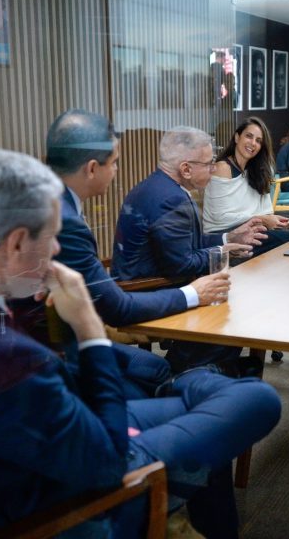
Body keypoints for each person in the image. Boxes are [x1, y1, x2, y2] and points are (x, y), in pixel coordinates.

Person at [0, 149, 281, 538]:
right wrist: (92, 332)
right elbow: (109, 462)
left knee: (204, 403)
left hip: (23, 445)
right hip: (72, 490)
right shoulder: (11, 359)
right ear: (13, 244)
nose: (57, 251)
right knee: (256, 400)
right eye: (50, 238)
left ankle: (186, 384)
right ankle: (187, 381)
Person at [45, 109, 234, 397]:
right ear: (92, 168)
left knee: (166, 368)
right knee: (216, 341)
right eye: (115, 163)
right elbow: (117, 309)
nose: (117, 170)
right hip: (66, 354)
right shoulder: (65, 223)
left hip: (87, 320)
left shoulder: (54, 202)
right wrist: (194, 293)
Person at [111, 126, 268, 372]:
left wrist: (230, 237)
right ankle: (179, 373)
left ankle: (215, 371)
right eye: (209, 164)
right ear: (185, 169)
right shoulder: (170, 199)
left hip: (151, 279)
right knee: (234, 314)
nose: (214, 169)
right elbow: (181, 264)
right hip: (146, 289)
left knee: (238, 299)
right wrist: (224, 251)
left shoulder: (159, 186)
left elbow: (188, 245)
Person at [203, 116, 289, 249]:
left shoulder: (258, 171)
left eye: (259, 141)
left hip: (252, 229)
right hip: (225, 235)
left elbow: (267, 211)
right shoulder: (222, 168)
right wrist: (262, 219)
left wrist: (275, 221)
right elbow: (220, 217)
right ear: (237, 137)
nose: (253, 143)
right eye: (249, 136)